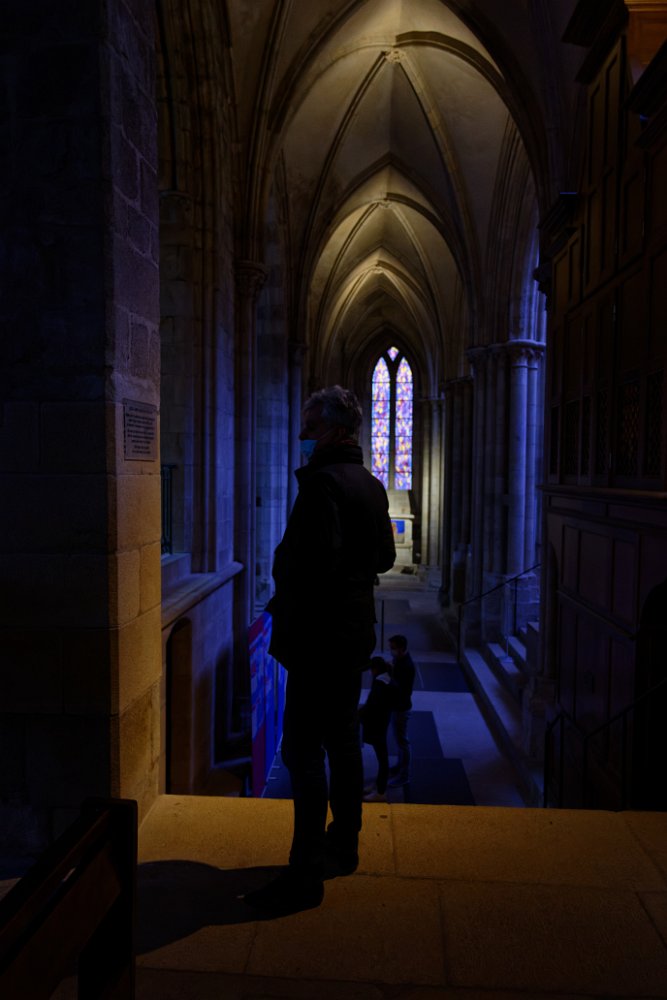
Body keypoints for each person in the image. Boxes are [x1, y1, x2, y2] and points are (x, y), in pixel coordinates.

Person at [244, 385, 396, 914]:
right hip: (352, 633)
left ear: (332, 430)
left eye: (309, 427)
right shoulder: (370, 484)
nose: (302, 436)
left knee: (303, 750)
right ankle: (344, 845)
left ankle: (305, 873)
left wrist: (286, 577)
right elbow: (384, 557)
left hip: (318, 637)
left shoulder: (321, 485)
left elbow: (311, 563)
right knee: (344, 740)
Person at [359, 656, 398, 801]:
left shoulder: (380, 684)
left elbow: (372, 705)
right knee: (382, 757)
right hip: (382, 723)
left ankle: (381, 792)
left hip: (377, 725)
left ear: (375, 669)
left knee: (382, 758)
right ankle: (378, 786)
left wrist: (358, 715)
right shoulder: (386, 681)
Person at [387, 634, 416, 787]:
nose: (391, 651)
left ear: (401, 648)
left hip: (401, 707)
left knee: (403, 741)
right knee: (400, 740)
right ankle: (399, 767)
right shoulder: (400, 661)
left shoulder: (406, 666)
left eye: (393, 648)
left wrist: (389, 678)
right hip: (397, 706)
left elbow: (404, 690)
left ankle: (404, 775)